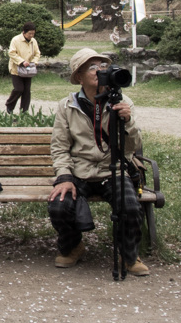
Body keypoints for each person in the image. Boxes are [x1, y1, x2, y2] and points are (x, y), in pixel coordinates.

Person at [47, 48, 148, 276]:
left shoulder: (122, 102)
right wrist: (64, 176)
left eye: (103, 66)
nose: (100, 71)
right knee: (59, 206)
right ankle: (73, 246)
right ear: (79, 77)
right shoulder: (67, 106)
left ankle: (129, 254)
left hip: (112, 169)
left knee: (130, 206)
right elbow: (60, 146)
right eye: (92, 67)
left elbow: (131, 148)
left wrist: (127, 121)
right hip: (79, 171)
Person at [5, 22, 40, 114]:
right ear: (24, 32)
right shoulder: (16, 40)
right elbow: (11, 53)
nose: (31, 35)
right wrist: (22, 61)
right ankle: (10, 105)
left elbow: (37, 53)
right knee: (19, 89)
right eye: (30, 33)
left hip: (28, 70)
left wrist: (34, 62)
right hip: (16, 69)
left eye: (33, 33)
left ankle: (24, 111)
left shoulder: (33, 41)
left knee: (27, 92)